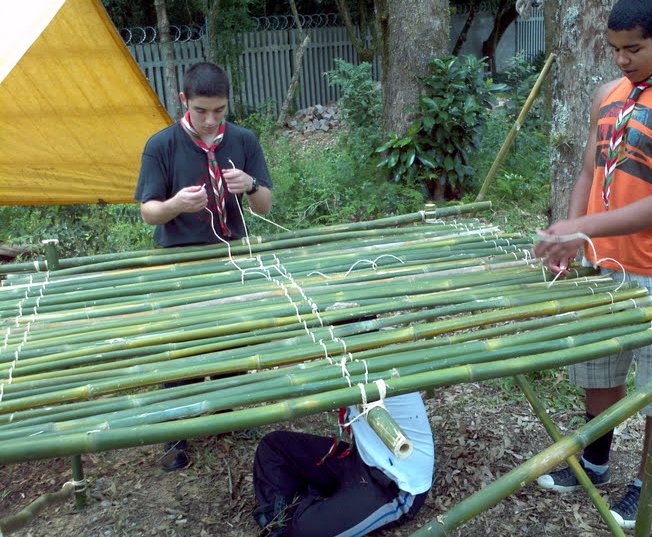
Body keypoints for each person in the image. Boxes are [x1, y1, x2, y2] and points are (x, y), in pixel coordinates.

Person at [532, 0, 652, 528]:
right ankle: (594, 462)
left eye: (633, 48)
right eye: (614, 49)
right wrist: (570, 239)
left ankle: (649, 485)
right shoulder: (608, 93)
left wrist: (579, 229)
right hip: (602, 264)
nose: (621, 59)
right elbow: (589, 172)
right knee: (599, 367)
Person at [134, 61, 273, 470]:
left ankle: (228, 413)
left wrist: (250, 185)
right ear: (184, 101)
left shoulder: (243, 140)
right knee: (183, 347)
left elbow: (265, 205)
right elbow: (149, 212)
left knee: (232, 338)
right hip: (180, 263)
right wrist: (175, 205)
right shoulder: (161, 145)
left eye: (219, 111)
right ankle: (175, 432)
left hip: (231, 259)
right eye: (201, 111)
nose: (211, 120)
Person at [252, 392, 434, 536]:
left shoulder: (375, 361)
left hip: (395, 483)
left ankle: (294, 512)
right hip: (362, 458)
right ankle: (288, 514)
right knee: (274, 447)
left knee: (303, 532)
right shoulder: (347, 359)